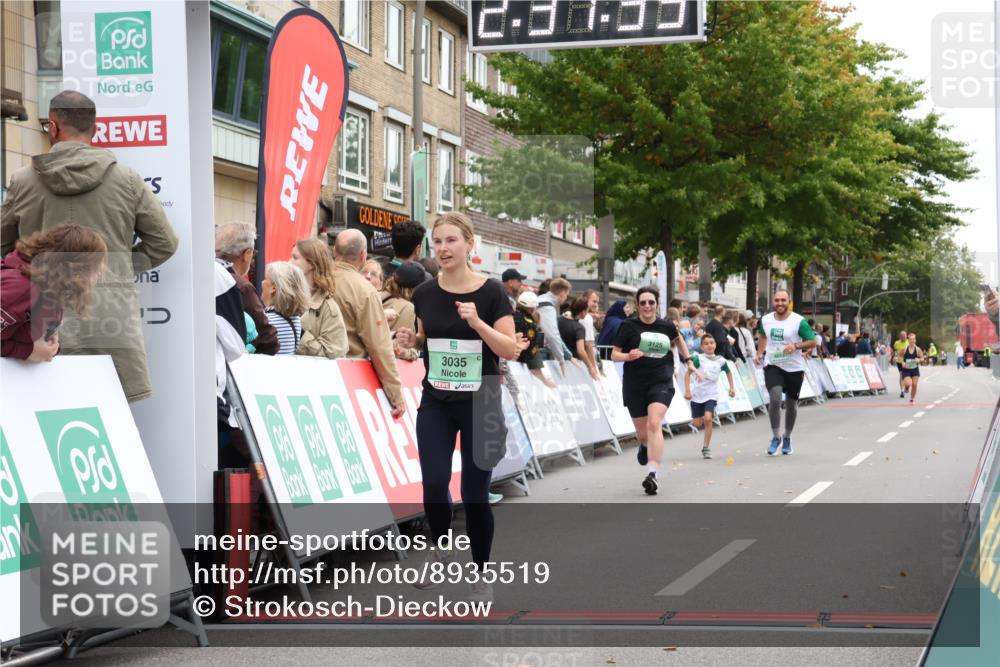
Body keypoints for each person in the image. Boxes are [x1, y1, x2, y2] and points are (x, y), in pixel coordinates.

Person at [1, 89, 178, 401]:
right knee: (111, 434)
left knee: (42, 430)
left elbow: (2, 246)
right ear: (94, 129)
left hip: (39, 326)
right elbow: (164, 243)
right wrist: (113, 267)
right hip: (111, 321)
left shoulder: (22, 181)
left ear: (53, 128)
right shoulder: (128, 180)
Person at [395, 212, 517, 600]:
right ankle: (441, 547)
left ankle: (481, 571)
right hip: (437, 397)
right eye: (438, 242)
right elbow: (426, 338)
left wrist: (480, 324)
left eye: (451, 241)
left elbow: (510, 349)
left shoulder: (492, 291)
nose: (444, 249)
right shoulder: (425, 293)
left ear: (469, 244)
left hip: (481, 399)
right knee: (433, 484)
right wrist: (411, 342)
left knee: (475, 494)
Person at [611, 285, 696, 495]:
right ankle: (644, 446)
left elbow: (679, 340)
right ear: (638, 305)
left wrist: (689, 361)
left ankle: (652, 473)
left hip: (661, 380)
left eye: (651, 302)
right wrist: (628, 356)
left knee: (654, 422)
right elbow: (614, 354)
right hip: (635, 383)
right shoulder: (628, 326)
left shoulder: (666, 325)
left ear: (657, 304)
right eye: (643, 303)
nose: (647, 306)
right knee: (643, 434)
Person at [1, 224, 107, 361]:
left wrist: (49, 342)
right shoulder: (21, 289)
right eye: (95, 267)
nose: (99, 273)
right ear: (75, 268)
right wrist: (28, 351)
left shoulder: (50, 288)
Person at [331, 229, 405, 418]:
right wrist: (396, 394)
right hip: (352, 378)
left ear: (334, 251)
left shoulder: (317, 279)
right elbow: (379, 346)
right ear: (363, 255)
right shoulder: (365, 291)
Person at [755, 289, 817, 456]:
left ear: (789, 301)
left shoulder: (799, 321)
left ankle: (787, 437)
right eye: (777, 300)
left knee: (791, 405)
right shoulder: (766, 320)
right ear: (773, 302)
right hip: (773, 365)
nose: (780, 303)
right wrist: (760, 353)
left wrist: (796, 346)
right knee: (774, 399)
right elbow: (762, 336)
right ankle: (776, 437)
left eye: (783, 300)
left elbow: (813, 341)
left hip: (794, 367)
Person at [215, 222, 279, 356]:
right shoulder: (241, 287)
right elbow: (268, 338)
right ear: (247, 254)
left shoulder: (202, 275)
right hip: (233, 367)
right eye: (253, 253)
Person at [291, 239, 349, 359]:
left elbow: (333, 353)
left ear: (312, 264)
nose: (289, 262)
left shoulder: (328, 307)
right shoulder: (287, 297)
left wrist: (299, 334)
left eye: (295, 258)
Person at [684, 334, 736, 460]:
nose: (709, 345)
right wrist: (687, 391)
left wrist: (732, 387)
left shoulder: (721, 360)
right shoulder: (698, 359)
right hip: (697, 395)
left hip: (711, 394)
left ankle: (706, 447)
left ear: (715, 345)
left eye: (712, 343)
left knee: (708, 419)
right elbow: (687, 374)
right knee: (697, 424)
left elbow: (728, 372)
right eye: (706, 343)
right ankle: (704, 416)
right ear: (701, 347)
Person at [260, 261, 309, 356]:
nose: (262, 282)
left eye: (265, 279)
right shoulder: (295, 319)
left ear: (273, 288)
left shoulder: (266, 321)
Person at [511, 290, 554, 388]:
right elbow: (531, 353)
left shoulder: (510, 316)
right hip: (520, 365)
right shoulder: (530, 324)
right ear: (532, 308)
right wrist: (545, 381)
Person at [536, 277, 574, 364]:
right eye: (567, 295)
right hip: (539, 351)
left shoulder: (541, 299)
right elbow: (552, 335)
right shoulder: (547, 306)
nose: (566, 298)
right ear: (562, 293)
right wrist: (561, 359)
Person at [570, 299, 601, 380]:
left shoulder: (562, 319)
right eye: (594, 301)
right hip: (578, 362)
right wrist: (592, 367)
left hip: (568, 360)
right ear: (583, 312)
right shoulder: (583, 323)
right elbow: (585, 346)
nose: (596, 304)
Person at [900, 333, 924, 403]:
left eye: (913, 339)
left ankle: (912, 399)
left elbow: (922, 358)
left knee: (914, 384)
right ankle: (906, 387)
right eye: (910, 339)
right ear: (908, 340)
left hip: (915, 370)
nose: (912, 341)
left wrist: (919, 360)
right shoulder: (905, 349)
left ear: (915, 340)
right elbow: (900, 356)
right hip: (906, 370)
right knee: (908, 383)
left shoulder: (918, 349)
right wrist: (902, 362)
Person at [893, 330, 909, 398]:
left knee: (907, 376)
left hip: (908, 361)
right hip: (899, 362)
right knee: (902, 375)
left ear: (906, 336)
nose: (903, 337)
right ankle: (902, 391)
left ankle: (907, 387)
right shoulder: (896, 343)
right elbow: (895, 351)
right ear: (900, 336)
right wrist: (894, 357)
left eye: (904, 335)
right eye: (901, 336)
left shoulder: (909, 342)